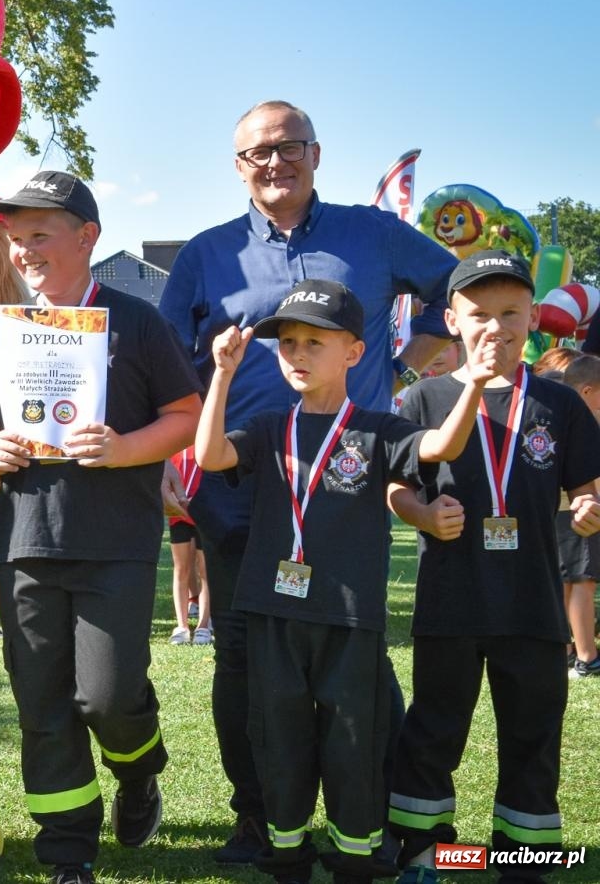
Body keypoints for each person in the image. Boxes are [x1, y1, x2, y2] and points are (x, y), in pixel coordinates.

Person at [158, 100, 457, 863]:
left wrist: (403, 368)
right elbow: (164, 361)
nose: (275, 162)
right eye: (258, 152)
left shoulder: (372, 231)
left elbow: (455, 292)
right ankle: (262, 817)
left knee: (356, 649)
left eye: (290, 147)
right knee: (243, 657)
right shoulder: (205, 253)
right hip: (236, 484)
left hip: (346, 483)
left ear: (316, 154)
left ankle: (377, 811)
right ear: (238, 167)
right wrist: (168, 454)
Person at [197, 278, 497, 884]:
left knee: (353, 738)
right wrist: (222, 376)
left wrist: (475, 385)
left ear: (355, 353)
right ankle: (286, 850)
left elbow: (439, 445)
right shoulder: (266, 425)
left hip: (349, 615)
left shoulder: (379, 430)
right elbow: (208, 458)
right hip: (273, 611)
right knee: (279, 734)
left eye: (315, 341)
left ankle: (355, 853)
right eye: (288, 344)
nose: (299, 354)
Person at [0, 173, 201, 884]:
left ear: (87, 237)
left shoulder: (136, 321)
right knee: (42, 705)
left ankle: (140, 771)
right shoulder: (4, 328)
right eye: (17, 239)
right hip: (24, 544)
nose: (26, 250)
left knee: (104, 697)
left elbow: (186, 414)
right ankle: (68, 852)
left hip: (116, 544)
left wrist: (125, 449)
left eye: (40, 234)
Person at [386, 251, 600, 884]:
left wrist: (588, 505)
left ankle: (522, 856)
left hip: (533, 604)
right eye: (479, 314)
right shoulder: (422, 397)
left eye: (511, 313)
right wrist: (422, 516)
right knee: (434, 728)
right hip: (451, 601)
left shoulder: (560, 405)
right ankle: (421, 852)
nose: (496, 327)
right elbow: (396, 488)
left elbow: (588, 484)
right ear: (452, 320)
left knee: (534, 733)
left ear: (533, 318)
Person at [553, 353, 600, 676]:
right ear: (586, 391)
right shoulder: (585, 422)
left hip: (560, 512)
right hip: (580, 510)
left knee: (568, 582)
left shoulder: (556, 415)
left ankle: (570, 650)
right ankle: (587, 657)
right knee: (583, 581)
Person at [165, 447, 211, 645]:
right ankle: (182, 625)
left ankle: (204, 625)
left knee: (205, 571)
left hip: (205, 511)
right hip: (179, 512)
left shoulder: (206, 444)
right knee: (181, 569)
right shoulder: (175, 447)